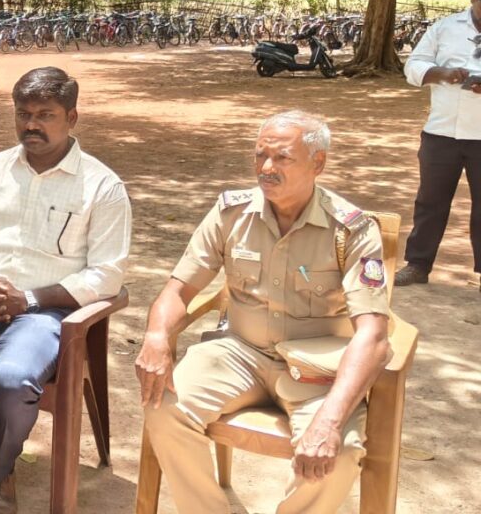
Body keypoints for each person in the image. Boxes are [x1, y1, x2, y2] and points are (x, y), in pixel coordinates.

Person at [136, 111, 391, 514]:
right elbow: (178, 290)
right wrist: (155, 335)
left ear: (318, 162)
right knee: (162, 404)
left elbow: (373, 336)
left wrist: (329, 421)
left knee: (339, 451)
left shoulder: (352, 230)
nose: (266, 168)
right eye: (260, 156)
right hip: (239, 353)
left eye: (282, 158)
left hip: (315, 372)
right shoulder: (230, 214)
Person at [0, 67, 131, 514]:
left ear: (72, 117)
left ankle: (0, 477)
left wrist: (30, 298)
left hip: (46, 313)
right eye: (23, 113)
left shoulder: (102, 186)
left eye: (46, 114)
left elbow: (107, 275)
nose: (31, 125)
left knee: (10, 376)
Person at [395, 0, 481, 290]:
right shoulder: (445, 27)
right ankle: (417, 265)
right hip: (441, 131)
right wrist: (440, 73)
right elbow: (414, 65)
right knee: (430, 201)